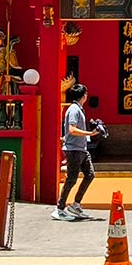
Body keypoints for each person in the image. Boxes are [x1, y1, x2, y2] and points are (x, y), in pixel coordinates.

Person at [52, 84, 99, 221]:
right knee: (71, 179)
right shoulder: (74, 110)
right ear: (84, 95)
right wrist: (90, 133)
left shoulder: (79, 109)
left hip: (82, 149)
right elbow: (72, 129)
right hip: (74, 149)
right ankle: (60, 209)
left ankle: (75, 205)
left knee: (89, 175)